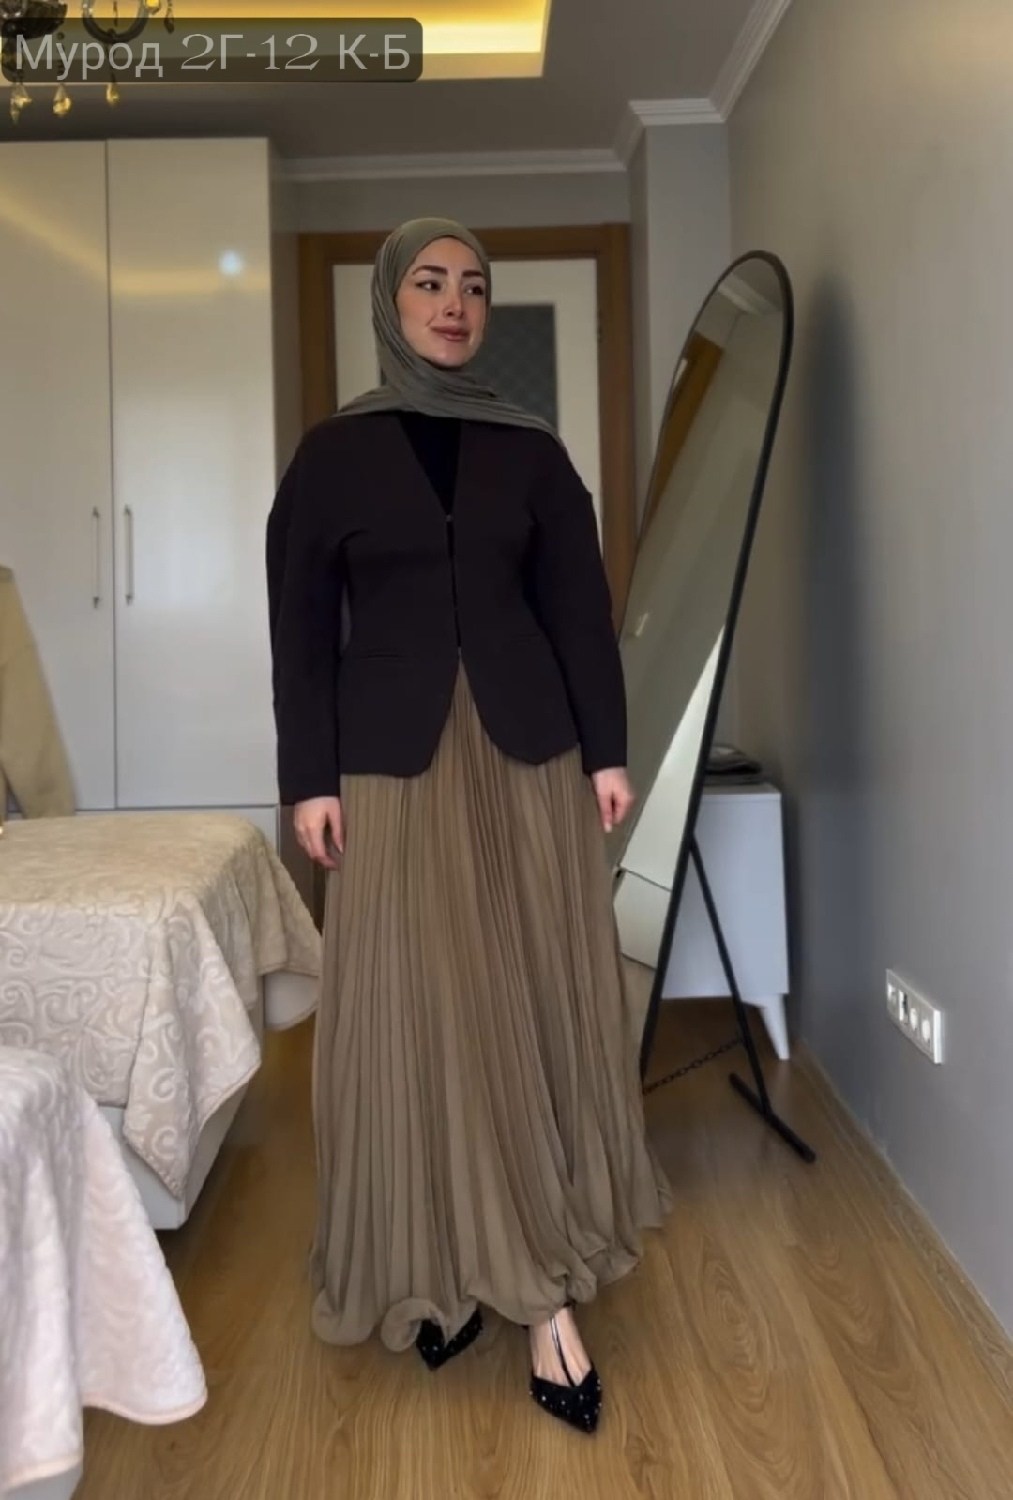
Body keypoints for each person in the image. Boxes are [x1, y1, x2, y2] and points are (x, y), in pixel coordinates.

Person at [266, 216, 671, 1436]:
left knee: (527, 998)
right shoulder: (331, 455)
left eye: (474, 286)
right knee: (416, 1007)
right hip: (387, 768)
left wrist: (607, 751)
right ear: (391, 300)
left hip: (527, 756)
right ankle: (428, 1265)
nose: (454, 303)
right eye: (431, 282)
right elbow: (300, 632)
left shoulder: (529, 450)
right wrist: (308, 777)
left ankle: (542, 1285)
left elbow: (578, 611)